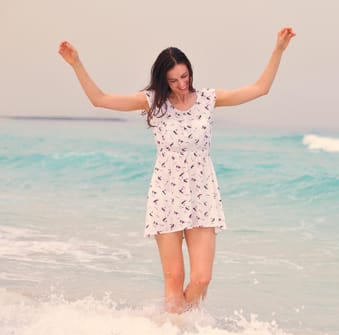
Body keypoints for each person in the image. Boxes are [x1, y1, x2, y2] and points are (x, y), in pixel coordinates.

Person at [58, 27, 296, 313]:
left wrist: (278, 50)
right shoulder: (152, 102)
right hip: (166, 195)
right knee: (174, 278)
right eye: (174, 80)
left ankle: (173, 327)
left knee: (202, 278)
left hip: (202, 194)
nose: (182, 83)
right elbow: (100, 99)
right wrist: (76, 63)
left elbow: (260, 89)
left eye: (185, 76)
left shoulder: (208, 99)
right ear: (164, 80)